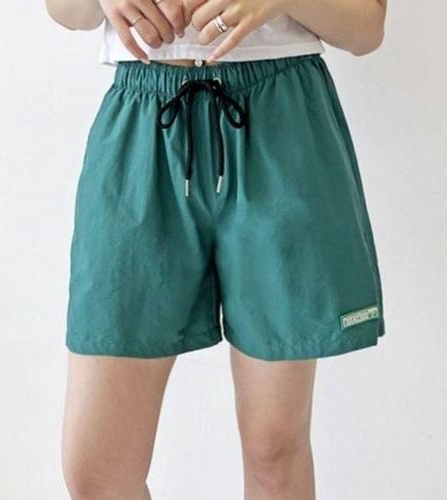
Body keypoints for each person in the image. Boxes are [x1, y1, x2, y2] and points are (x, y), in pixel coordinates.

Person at [46, 0, 387, 498]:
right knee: (96, 470)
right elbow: (65, 13)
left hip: (280, 119)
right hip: (142, 119)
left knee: (274, 451)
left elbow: (366, 28)